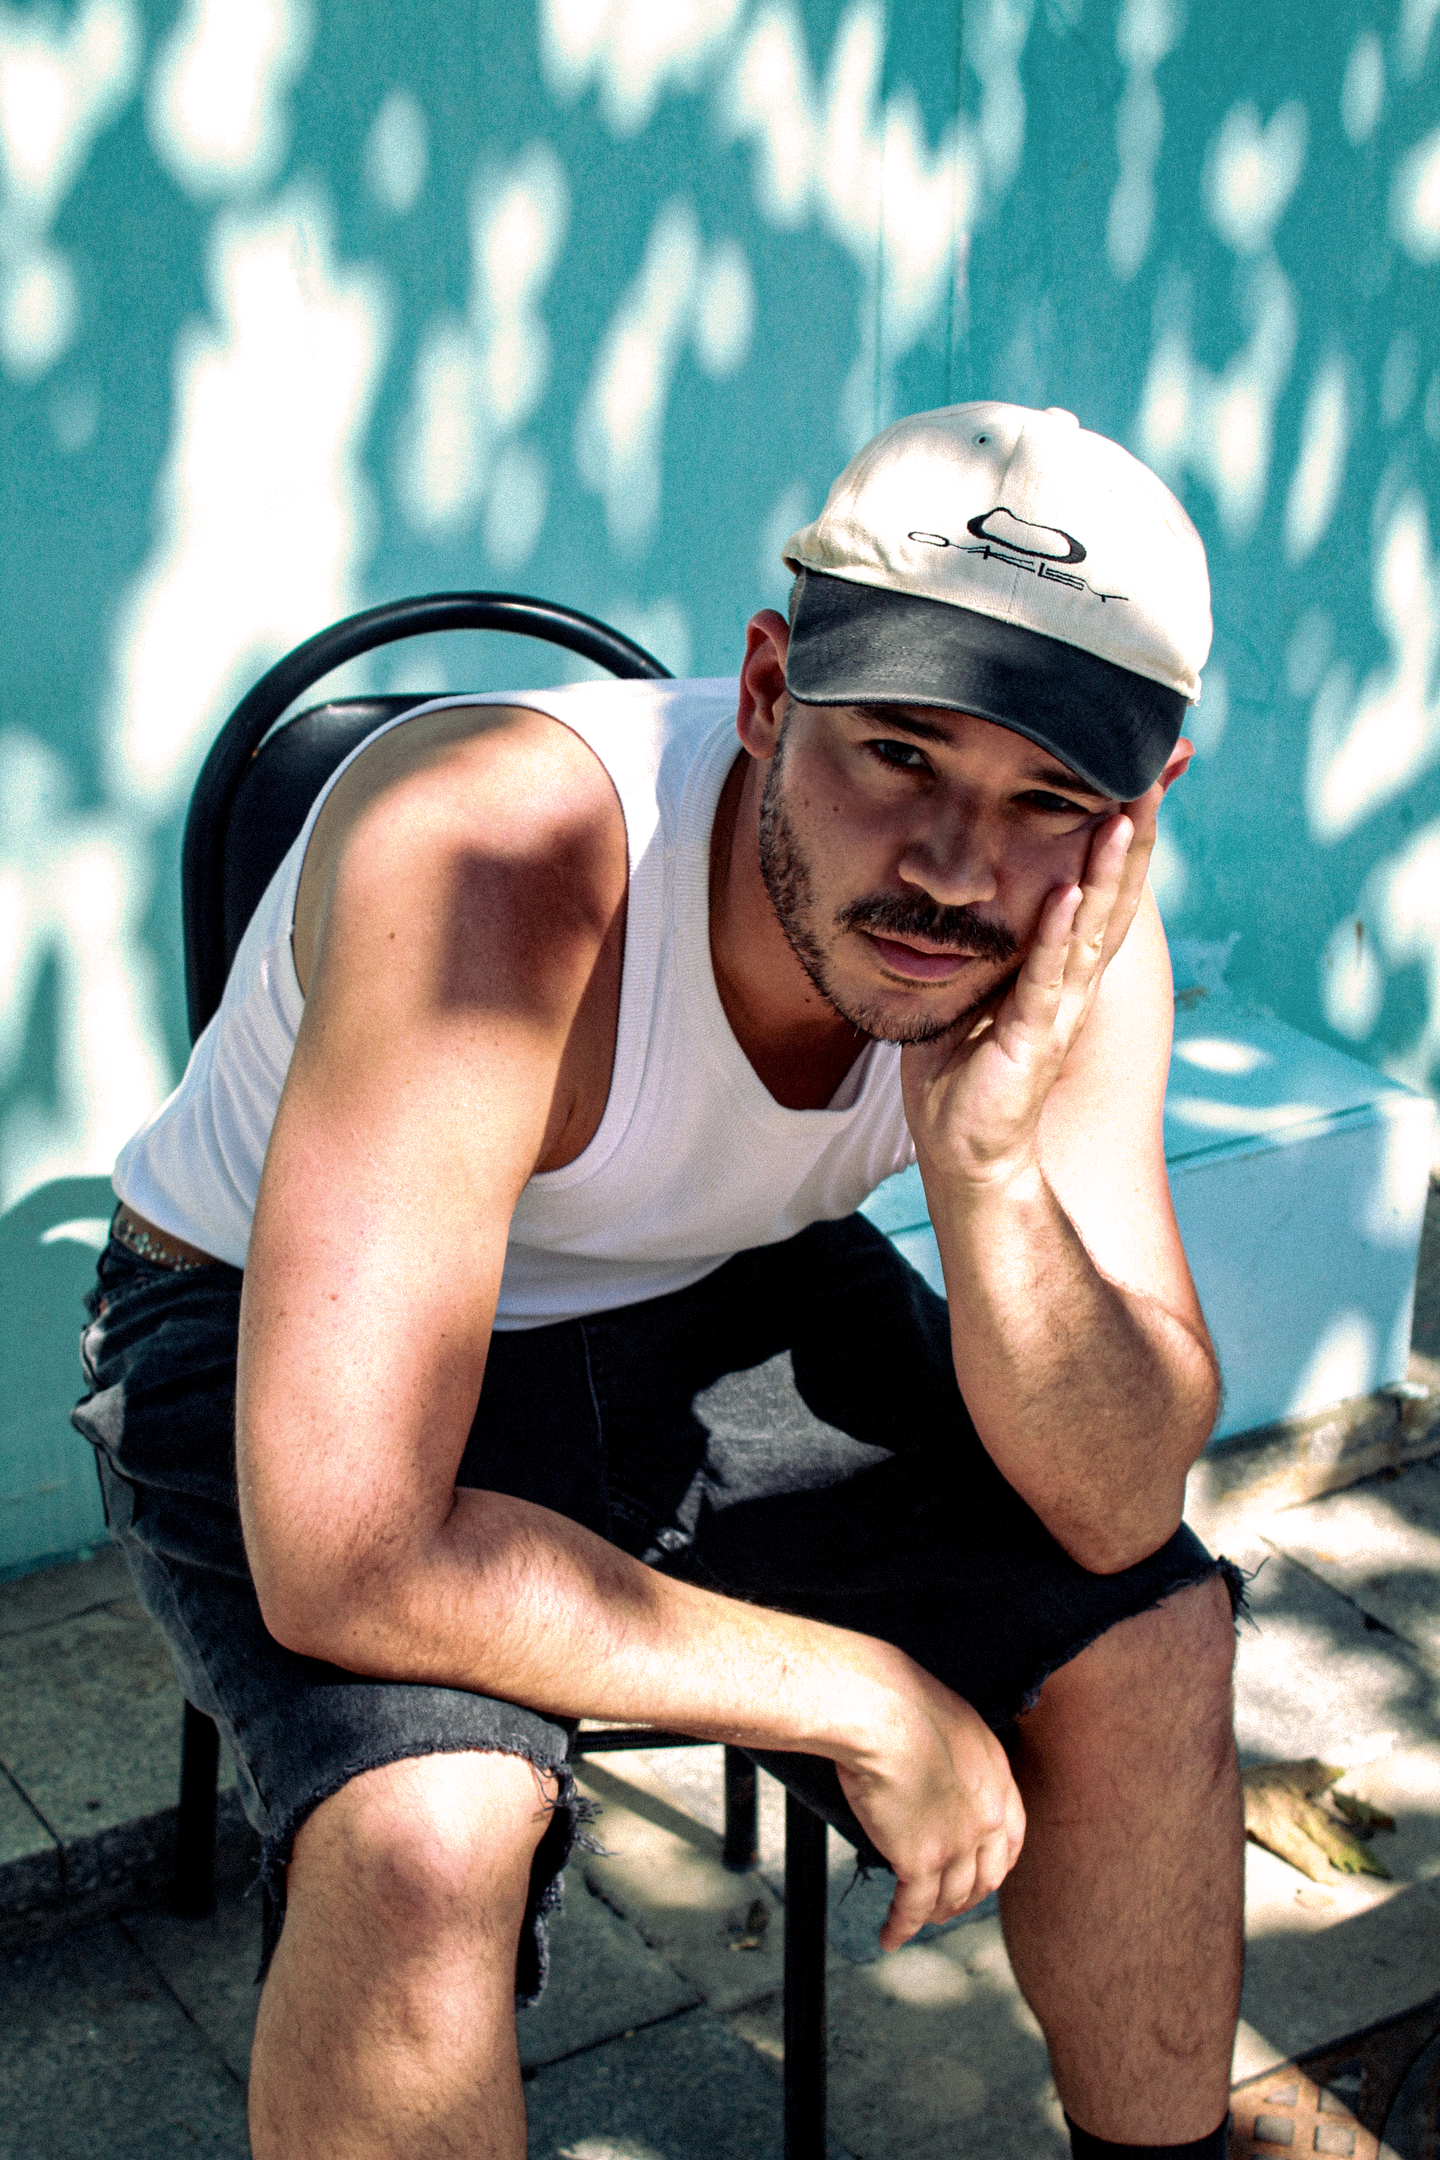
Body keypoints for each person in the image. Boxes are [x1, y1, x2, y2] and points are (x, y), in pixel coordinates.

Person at [74, 402, 1244, 2160]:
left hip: (713, 1285)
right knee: (427, 1836)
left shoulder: (1071, 929)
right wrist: (860, 1691)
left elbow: (1121, 1498)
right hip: (263, 1307)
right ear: (768, 690)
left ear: (1137, 811)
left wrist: (991, 1169)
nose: (953, 870)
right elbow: (349, 1554)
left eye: (1047, 798)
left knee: (1155, 1641)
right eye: (898, 754)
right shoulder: (493, 853)